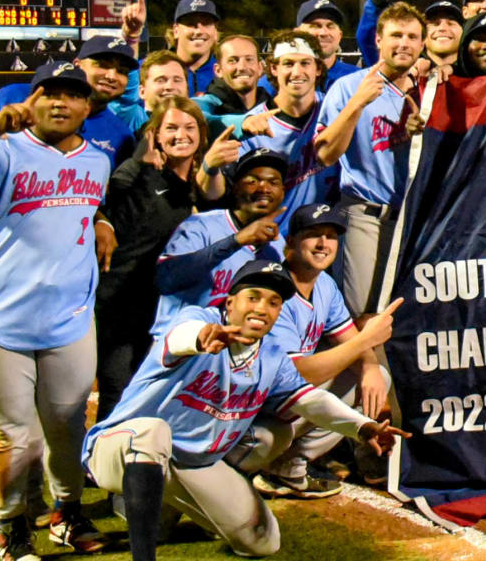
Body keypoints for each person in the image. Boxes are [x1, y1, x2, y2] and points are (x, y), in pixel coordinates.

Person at [0, 37, 136, 550]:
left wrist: (104, 218)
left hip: (66, 310)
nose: (62, 102)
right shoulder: (3, 136)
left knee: (66, 422)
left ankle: (61, 513)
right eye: (51, 91)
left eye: (73, 94)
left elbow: (98, 199)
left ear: (87, 104)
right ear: (33, 95)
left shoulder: (101, 149)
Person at [83, 259, 408, 561]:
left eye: (273, 302)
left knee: (263, 539)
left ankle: (165, 509)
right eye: (253, 297)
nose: (262, 308)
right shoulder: (198, 320)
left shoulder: (271, 357)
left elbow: (309, 400)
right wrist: (201, 338)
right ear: (229, 303)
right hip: (121, 449)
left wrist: (363, 427)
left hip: (191, 465)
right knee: (153, 433)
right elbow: (178, 338)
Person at [228, 204, 399, 498]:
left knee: (376, 376)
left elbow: (348, 338)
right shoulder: (272, 294)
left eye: (331, 236)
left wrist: (369, 363)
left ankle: (288, 467)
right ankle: (229, 472)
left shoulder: (325, 286)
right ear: (290, 242)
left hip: (282, 403)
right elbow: (296, 374)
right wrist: (364, 342)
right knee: (270, 439)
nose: (324, 244)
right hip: (245, 413)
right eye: (314, 235)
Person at [95, 96, 231, 422]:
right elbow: (105, 200)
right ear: (154, 134)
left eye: (189, 127)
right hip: (123, 308)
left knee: (164, 397)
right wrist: (136, 160)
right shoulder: (139, 177)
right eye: (170, 127)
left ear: (201, 134)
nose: (180, 135)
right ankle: (96, 471)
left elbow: (214, 194)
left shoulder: (198, 185)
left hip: (174, 312)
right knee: (120, 396)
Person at [316, 1, 425, 316]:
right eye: (395, 35)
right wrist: (357, 104)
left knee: (407, 318)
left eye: (411, 36)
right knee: (363, 316)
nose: (403, 43)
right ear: (378, 40)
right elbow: (325, 155)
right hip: (365, 215)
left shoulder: (428, 90)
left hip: (414, 220)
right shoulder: (349, 86)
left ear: (422, 44)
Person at [151, 148, 288, 339]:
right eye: (253, 181)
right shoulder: (200, 225)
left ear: (282, 193)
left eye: (273, 182)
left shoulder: (277, 247)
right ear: (235, 186)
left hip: (231, 352)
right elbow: (166, 280)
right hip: (181, 344)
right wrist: (236, 241)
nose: (263, 188)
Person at [239, 33, 338, 229]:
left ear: (318, 68)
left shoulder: (335, 109)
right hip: (273, 239)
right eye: (288, 63)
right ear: (274, 69)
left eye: (305, 63)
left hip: (329, 233)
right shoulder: (254, 124)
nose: (297, 72)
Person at [194, 35, 269, 138]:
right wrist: (243, 122)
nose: (242, 67)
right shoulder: (208, 103)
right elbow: (197, 118)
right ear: (218, 70)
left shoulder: (271, 105)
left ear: (260, 68)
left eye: (249, 59)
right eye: (233, 60)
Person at [111, 50, 189, 132]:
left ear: (187, 89)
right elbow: (126, 99)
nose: (170, 86)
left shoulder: (198, 122)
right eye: (161, 80)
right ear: (142, 91)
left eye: (177, 80)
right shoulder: (132, 117)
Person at [296, 0, 361, 89]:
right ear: (297, 33)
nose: (324, 33)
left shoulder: (358, 79)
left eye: (330, 26)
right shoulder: (281, 80)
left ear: (340, 35)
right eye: (315, 26)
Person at [167, 0, 222, 95]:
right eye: (191, 24)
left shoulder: (226, 72)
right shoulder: (152, 69)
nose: (199, 31)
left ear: (215, 32)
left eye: (206, 24)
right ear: (176, 31)